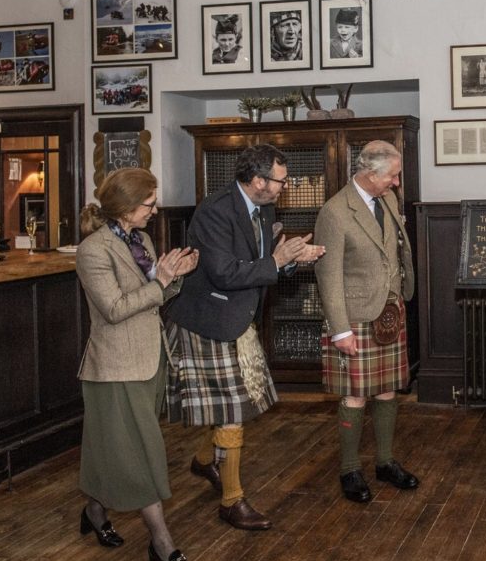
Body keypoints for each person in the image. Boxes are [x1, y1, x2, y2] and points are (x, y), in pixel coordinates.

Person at [166, 145, 324, 531]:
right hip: (208, 319)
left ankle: (205, 461)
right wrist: (279, 260)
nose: (285, 187)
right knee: (233, 410)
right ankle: (231, 502)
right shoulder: (214, 211)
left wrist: (291, 260)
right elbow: (225, 273)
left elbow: (262, 263)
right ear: (257, 181)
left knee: (231, 405)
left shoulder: (264, 208)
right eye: (281, 181)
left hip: (239, 316)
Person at [76, 168, 200, 561]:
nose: (155, 209)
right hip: (115, 367)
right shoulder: (93, 251)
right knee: (143, 452)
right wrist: (160, 280)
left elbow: (153, 298)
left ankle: (94, 511)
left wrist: (174, 278)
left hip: (150, 358)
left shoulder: (140, 240)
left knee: (113, 448)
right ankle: (162, 544)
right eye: (149, 203)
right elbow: (114, 310)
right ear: (127, 207)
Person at [314, 140, 418, 504]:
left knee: (388, 389)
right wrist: (340, 329)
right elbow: (328, 276)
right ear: (370, 173)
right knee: (355, 395)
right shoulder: (335, 212)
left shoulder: (387, 199)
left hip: (390, 312)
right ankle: (349, 469)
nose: (396, 182)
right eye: (392, 176)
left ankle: (385, 462)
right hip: (355, 317)